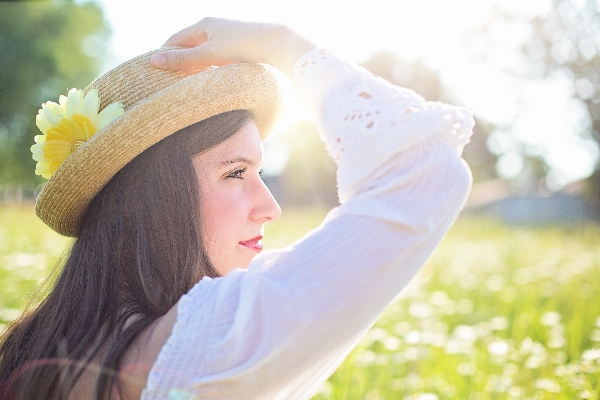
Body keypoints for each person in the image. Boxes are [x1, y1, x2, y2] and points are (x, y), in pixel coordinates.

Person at [0, 18, 473, 399]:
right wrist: (281, 43)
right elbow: (429, 172)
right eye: (234, 173)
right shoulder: (206, 346)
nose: (269, 208)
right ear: (151, 197)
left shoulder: (33, 342)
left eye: (260, 174)